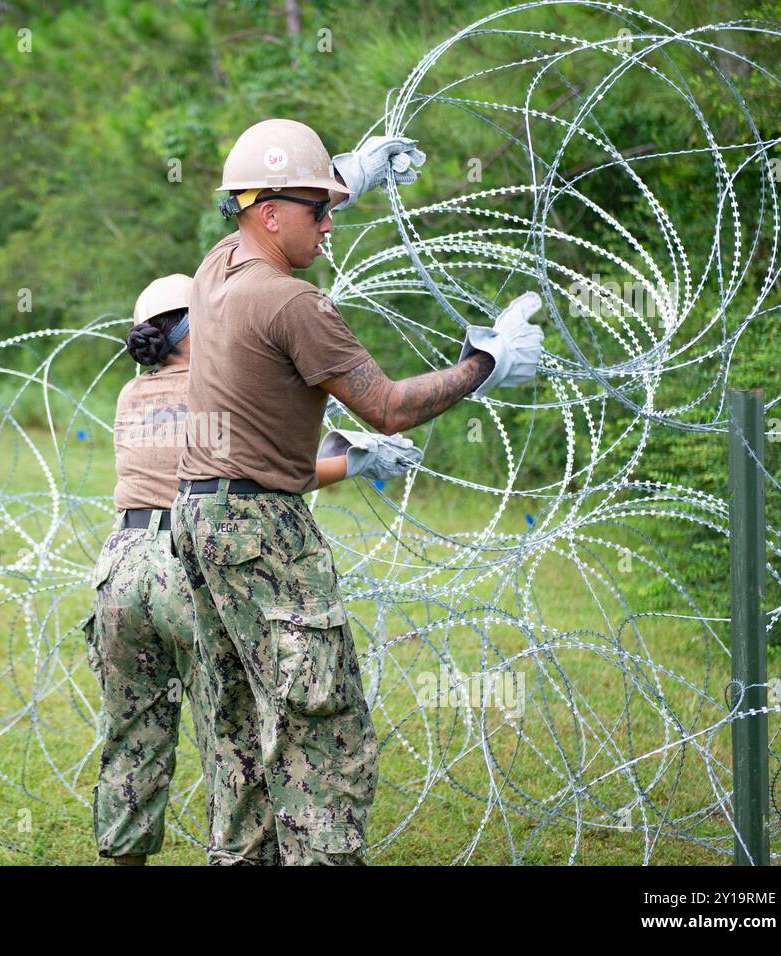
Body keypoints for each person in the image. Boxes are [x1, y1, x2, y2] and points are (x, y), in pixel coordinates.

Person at [171, 118, 544, 865]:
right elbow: (390, 406)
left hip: (198, 517)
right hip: (262, 529)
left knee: (240, 726)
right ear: (270, 214)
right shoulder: (292, 304)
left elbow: (262, 199)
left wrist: (354, 172)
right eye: (318, 209)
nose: (329, 222)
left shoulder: (217, 272)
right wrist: (485, 364)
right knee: (322, 726)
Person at [82, 272, 419, 865]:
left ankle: (125, 853)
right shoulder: (215, 390)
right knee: (232, 730)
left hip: (122, 566)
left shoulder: (131, 394)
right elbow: (261, 473)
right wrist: (353, 460)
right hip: (187, 567)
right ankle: (242, 854)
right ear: (196, 323)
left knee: (130, 732)